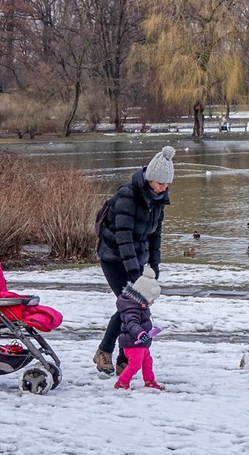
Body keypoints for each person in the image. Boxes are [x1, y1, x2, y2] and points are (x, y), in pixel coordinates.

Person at [94, 145, 174, 375]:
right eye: (160, 183)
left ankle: (123, 358)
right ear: (150, 179)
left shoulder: (159, 200)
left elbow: (155, 236)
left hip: (137, 258)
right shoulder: (127, 196)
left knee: (136, 306)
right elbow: (124, 238)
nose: (163, 188)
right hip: (113, 256)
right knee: (129, 304)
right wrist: (133, 275)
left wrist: (154, 268)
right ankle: (105, 352)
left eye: (167, 184)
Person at [114, 272, 163, 390]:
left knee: (147, 362)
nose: (152, 303)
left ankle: (150, 381)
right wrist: (140, 333)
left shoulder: (140, 306)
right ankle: (122, 382)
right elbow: (132, 324)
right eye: (151, 300)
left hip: (142, 343)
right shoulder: (132, 309)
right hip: (133, 343)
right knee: (135, 365)